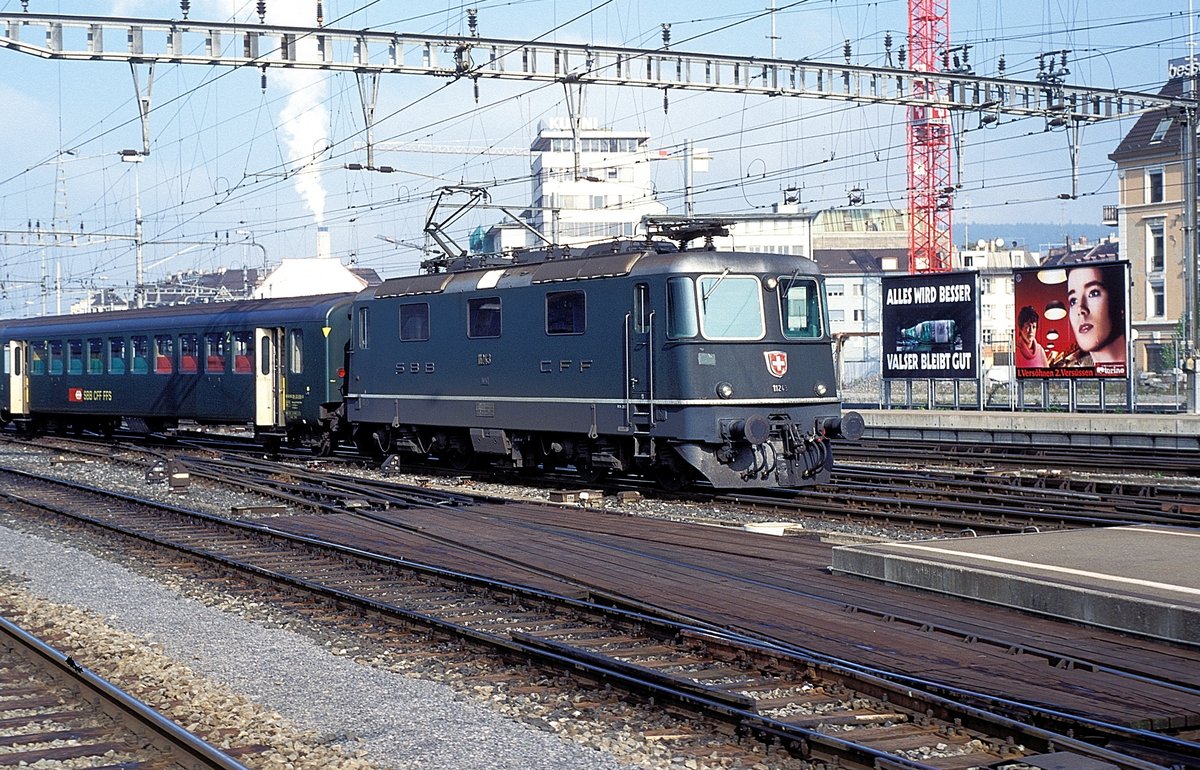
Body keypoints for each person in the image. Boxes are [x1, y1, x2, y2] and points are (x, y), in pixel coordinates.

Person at [1066, 265, 1126, 364]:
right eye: (1073, 301)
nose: (1080, 309)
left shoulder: (1136, 363)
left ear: (1119, 301)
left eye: (1093, 293)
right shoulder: (1074, 368)